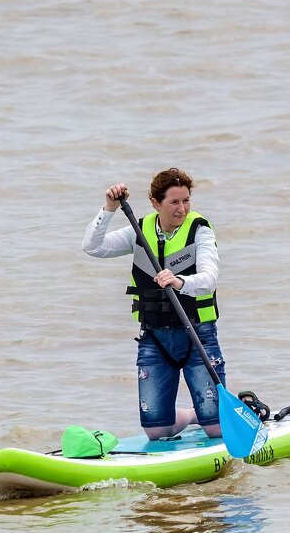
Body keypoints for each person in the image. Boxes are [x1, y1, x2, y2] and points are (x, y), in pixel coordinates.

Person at [82, 167, 225, 440]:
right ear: (156, 203)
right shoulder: (139, 231)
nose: (181, 209)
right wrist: (109, 209)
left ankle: (219, 416)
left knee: (216, 429)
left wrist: (180, 282)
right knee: (156, 431)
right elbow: (93, 247)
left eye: (186, 201)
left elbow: (209, 279)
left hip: (198, 334)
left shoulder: (200, 231)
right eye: (174, 202)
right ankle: (195, 415)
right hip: (155, 338)